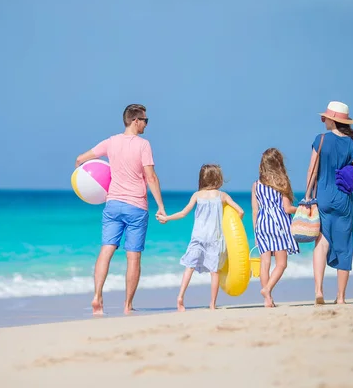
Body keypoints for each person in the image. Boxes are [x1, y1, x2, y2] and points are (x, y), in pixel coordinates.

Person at [75, 104, 166, 315]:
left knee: (106, 250)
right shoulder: (143, 145)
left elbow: (80, 159)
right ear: (135, 121)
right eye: (145, 120)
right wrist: (160, 206)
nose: (146, 124)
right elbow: (151, 177)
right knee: (133, 257)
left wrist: (86, 186)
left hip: (113, 204)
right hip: (136, 206)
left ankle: (97, 296)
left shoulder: (110, 142)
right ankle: (127, 305)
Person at [157, 164, 244, 311]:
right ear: (218, 178)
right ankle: (212, 304)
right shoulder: (222, 196)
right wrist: (231, 228)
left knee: (189, 267)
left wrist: (167, 218)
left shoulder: (197, 195)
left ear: (202, 179)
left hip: (198, 237)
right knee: (214, 271)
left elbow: (183, 213)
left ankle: (180, 297)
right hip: (215, 238)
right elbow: (240, 212)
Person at [306, 101, 353, 305]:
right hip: (343, 199)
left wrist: (308, 198)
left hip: (322, 197)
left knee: (321, 243)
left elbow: (312, 171)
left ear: (332, 120)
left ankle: (318, 291)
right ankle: (340, 297)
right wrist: (349, 178)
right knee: (344, 246)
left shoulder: (320, 139)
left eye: (325, 117)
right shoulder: (352, 144)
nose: (323, 120)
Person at [251, 148, 300, 308]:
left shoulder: (256, 185)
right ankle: (267, 289)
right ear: (279, 163)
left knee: (264, 263)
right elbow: (286, 209)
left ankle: (267, 300)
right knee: (281, 264)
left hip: (262, 225)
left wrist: (256, 233)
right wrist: (301, 209)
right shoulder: (281, 182)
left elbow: (255, 210)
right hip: (278, 225)